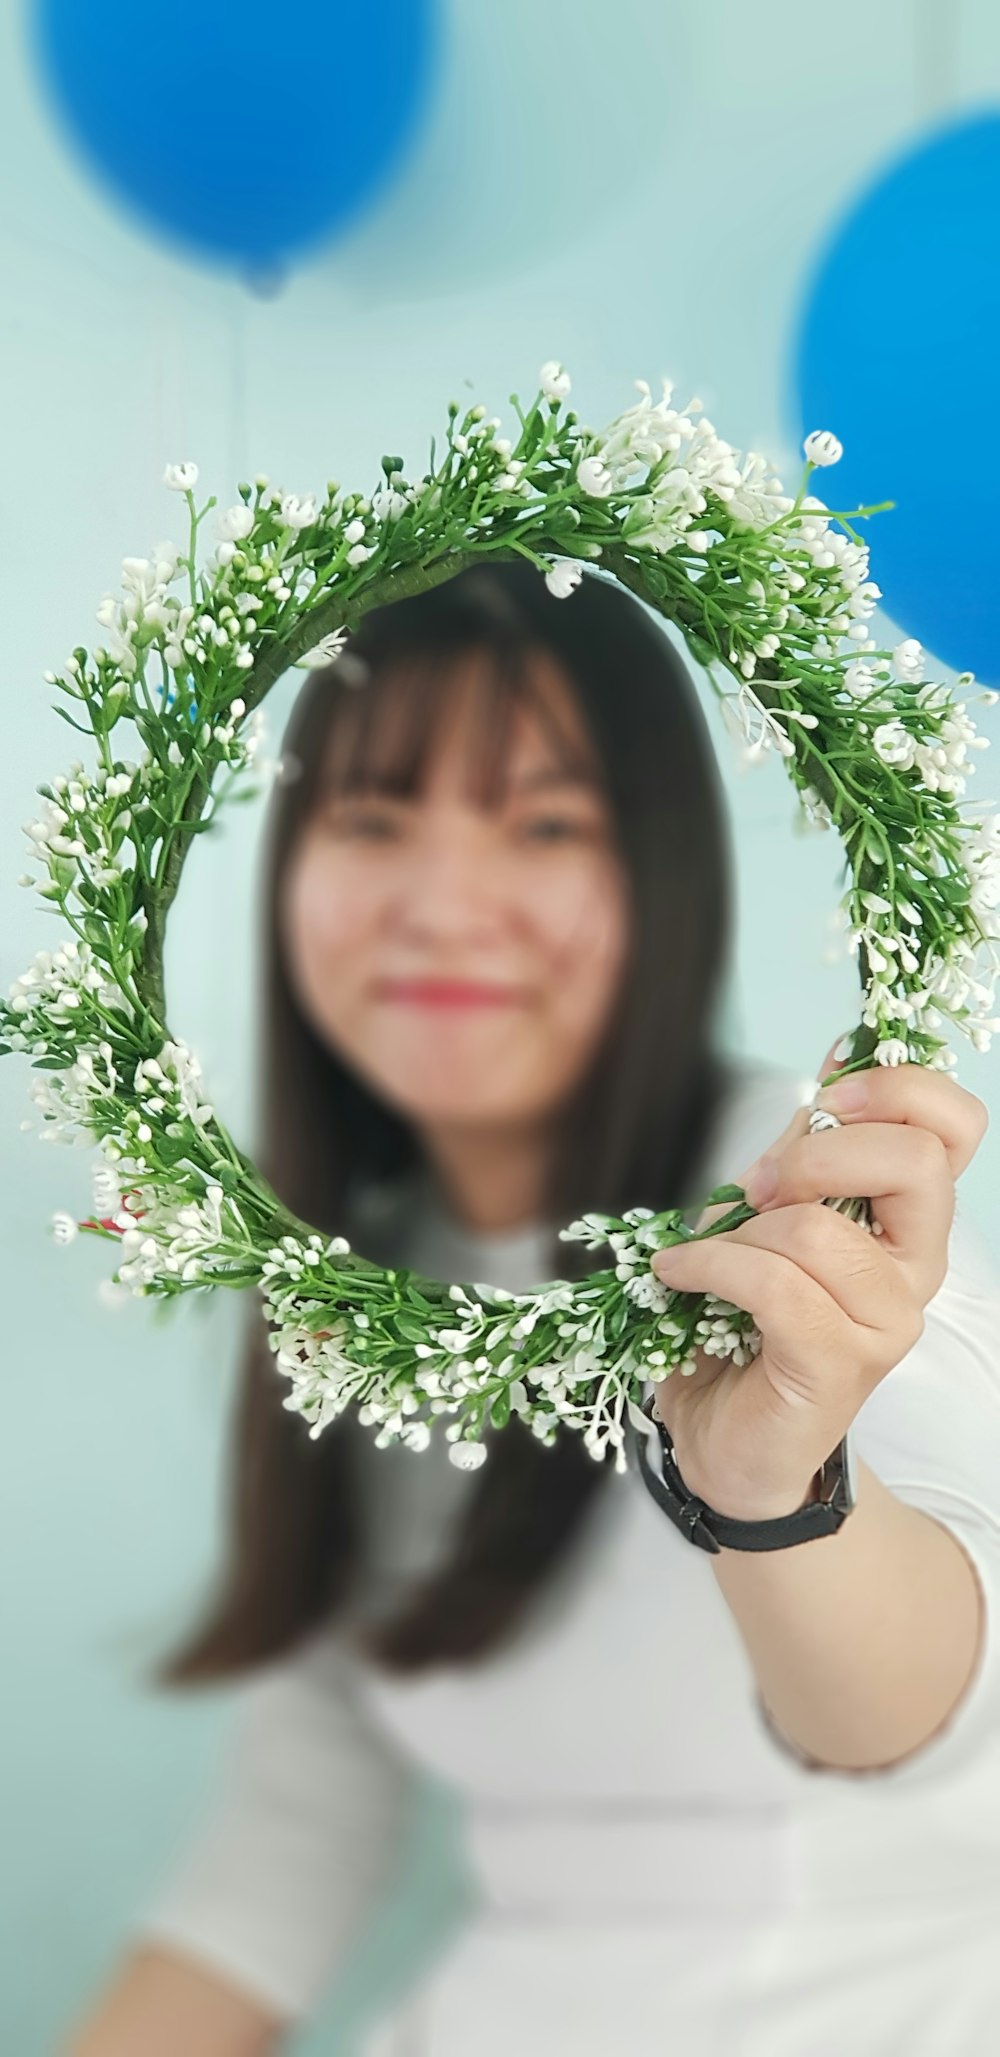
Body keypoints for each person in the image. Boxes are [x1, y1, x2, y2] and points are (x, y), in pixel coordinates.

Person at [68, 563, 1000, 2057]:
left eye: (543, 822)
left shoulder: (794, 1206)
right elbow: (293, 1835)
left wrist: (768, 1489)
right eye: (374, 818)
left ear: (662, 872)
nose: (442, 904)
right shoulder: (347, 1281)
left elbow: (922, 1715)